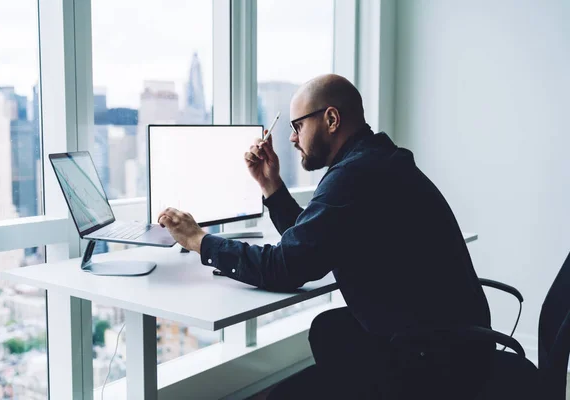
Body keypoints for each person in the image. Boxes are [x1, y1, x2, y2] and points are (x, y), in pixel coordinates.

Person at [157, 74, 492, 398]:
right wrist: (270, 184)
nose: (292, 138)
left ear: (331, 119)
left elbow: (285, 267)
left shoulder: (354, 175)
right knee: (329, 329)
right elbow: (313, 241)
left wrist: (199, 240)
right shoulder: (377, 160)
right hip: (456, 340)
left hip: (435, 362)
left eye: (298, 126)